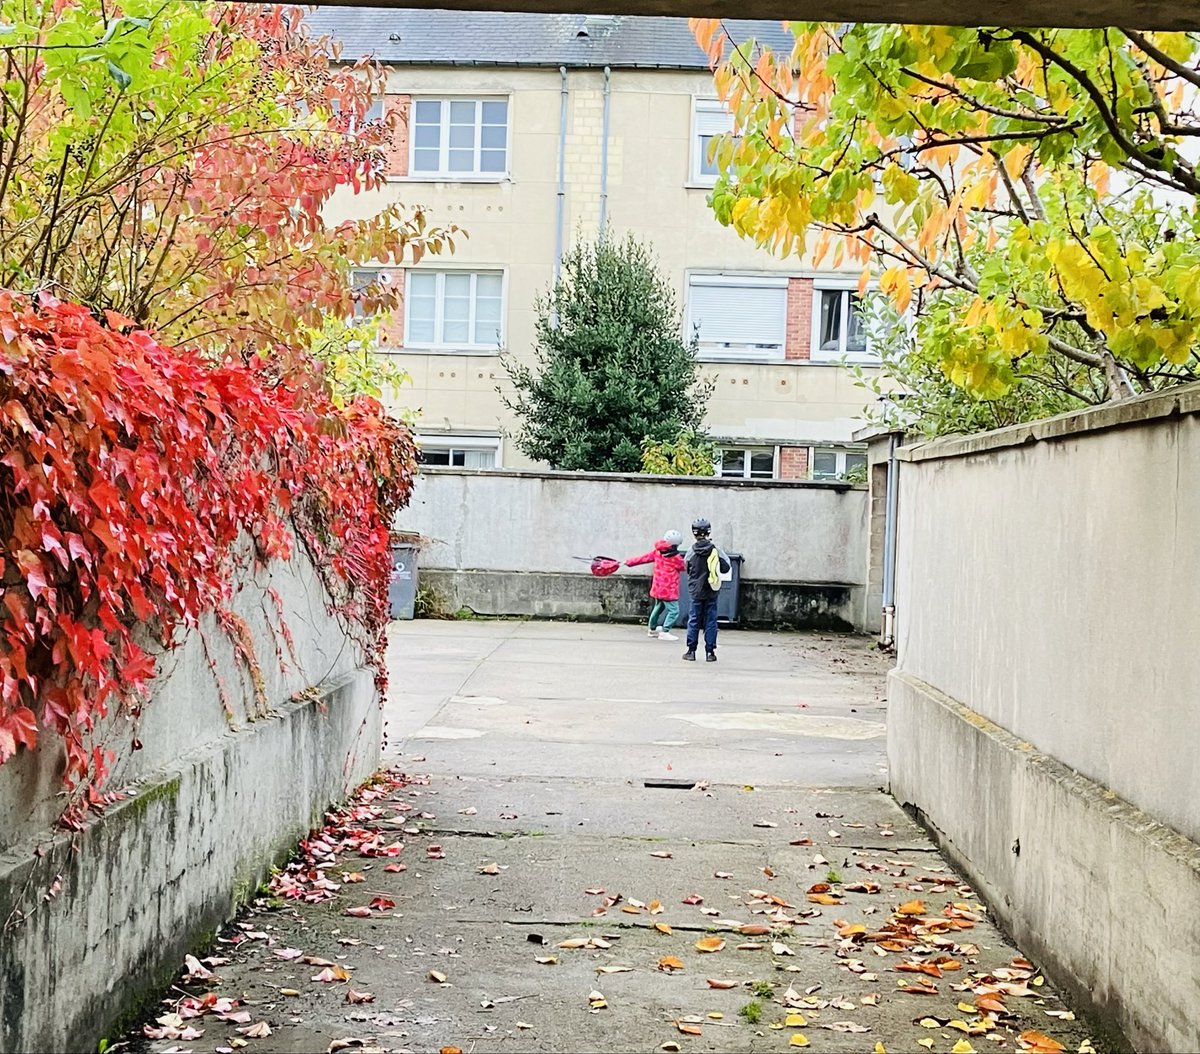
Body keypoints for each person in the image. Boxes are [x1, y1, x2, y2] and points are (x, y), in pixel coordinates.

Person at [683, 517, 730, 662]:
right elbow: (726, 566)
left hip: (696, 591)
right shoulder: (716, 550)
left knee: (694, 620)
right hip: (712, 590)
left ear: (694, 533)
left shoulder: (691, 551)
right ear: (709, 531)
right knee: (711, 620)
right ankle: (710, 653)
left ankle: (691, 651)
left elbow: (687, 568)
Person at [625, 529, 686, 640]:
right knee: (674, 610)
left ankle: (652, 629)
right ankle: (665, 631)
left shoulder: (657, 552)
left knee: (658, 607)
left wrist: (629, 562)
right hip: (669, 589)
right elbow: (684, 566)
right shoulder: (676, 558)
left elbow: (643, 558)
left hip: (658, 587)